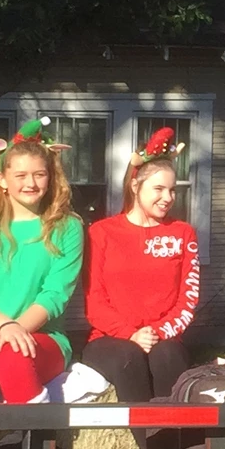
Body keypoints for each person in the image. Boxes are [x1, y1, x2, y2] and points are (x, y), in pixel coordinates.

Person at [0, 119, 85, 403]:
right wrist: (3, 326)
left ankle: (30, 440)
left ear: (50, 178)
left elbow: (55, 295)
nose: (31, 183)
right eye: (21, 175)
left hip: (42, 334)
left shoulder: (67, 228)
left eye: (39, 175)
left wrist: (16, 330)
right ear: (2, 180)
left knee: (16, 354)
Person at [81, 128, 201, 405]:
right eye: (158, 189)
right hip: (109, 338)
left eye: (172, 190)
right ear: (135, 186)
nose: (168, 198)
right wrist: (130, 334)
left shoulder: (183, 234)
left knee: (166, 356)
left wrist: (157, 331)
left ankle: (172, 441)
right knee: (129, 357)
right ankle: (148, 446)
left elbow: (188, 298)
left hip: (165, 337)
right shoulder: (102, 232)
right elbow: (94, 301)